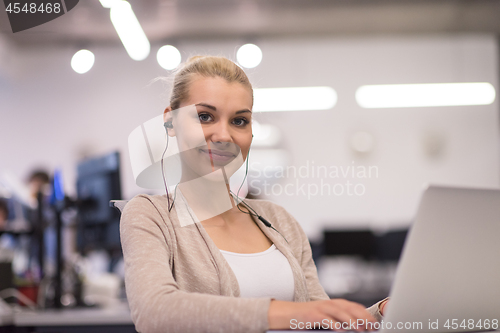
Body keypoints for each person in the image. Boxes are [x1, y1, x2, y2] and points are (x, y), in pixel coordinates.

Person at [120, 55, 388, 333]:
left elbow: (319, 319)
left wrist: (381, 314)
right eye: (205, 116)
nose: (224, 135)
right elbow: (155, 312)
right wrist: (277, 312)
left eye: (239, 121)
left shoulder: (279, 220)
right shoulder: (149, 215)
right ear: (170, 121)